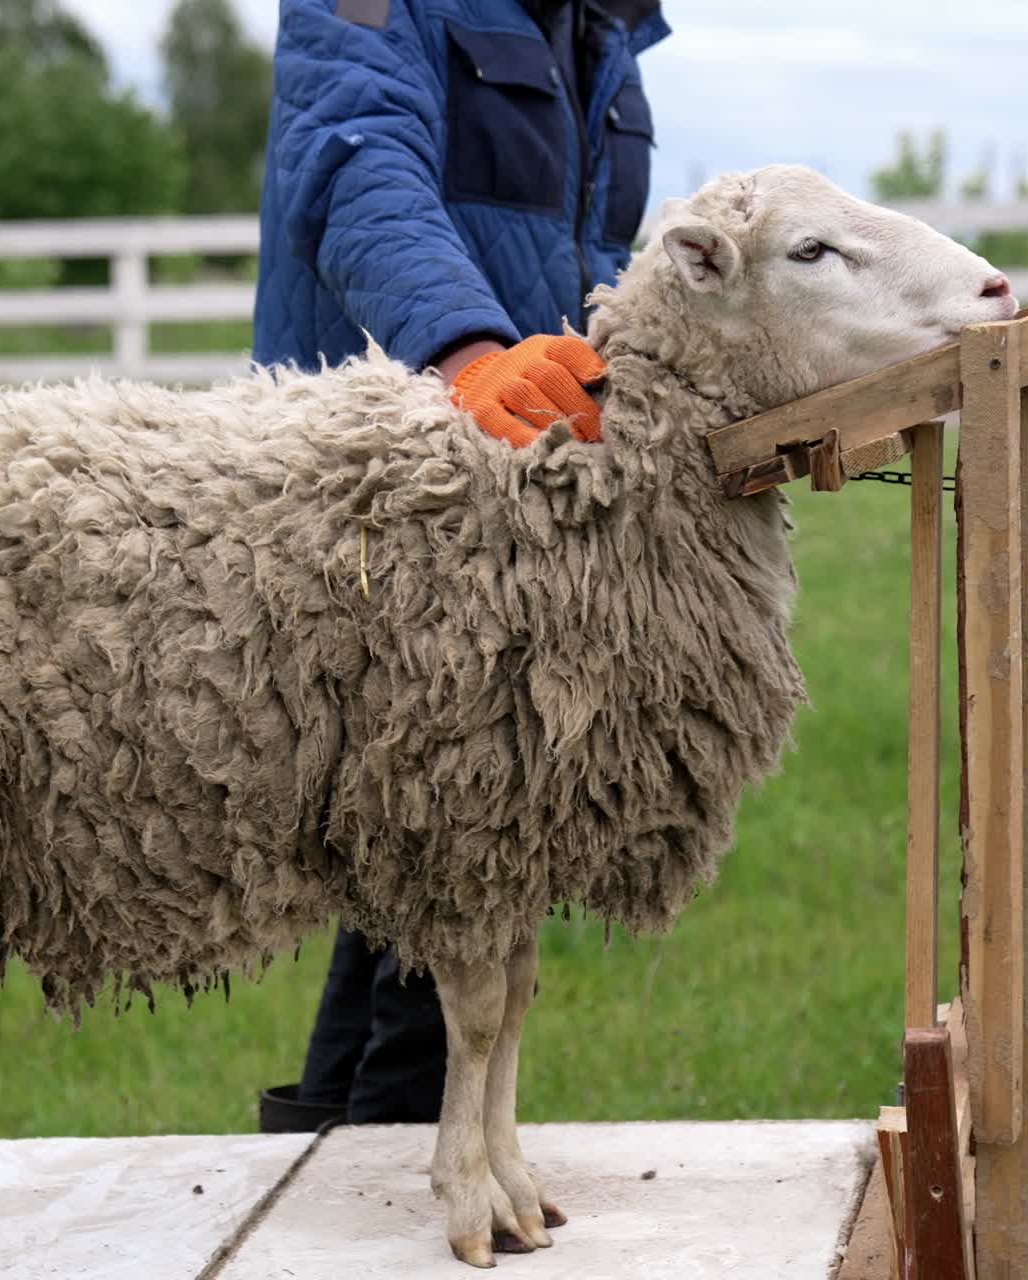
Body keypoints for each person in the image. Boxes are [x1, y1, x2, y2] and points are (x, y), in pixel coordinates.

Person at [253, 0, 668, 1132]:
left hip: (518, 504)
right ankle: (383, 1168)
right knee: (454, 839)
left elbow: (598, 266)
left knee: (425, 846)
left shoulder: (605, 34)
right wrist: (466, 353)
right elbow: (351, 163)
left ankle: (332, 1170)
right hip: (381, 493)